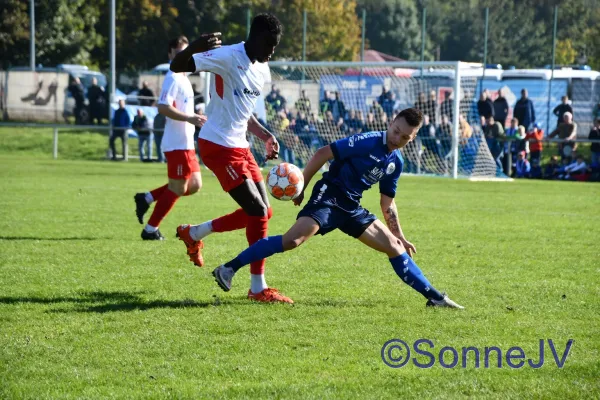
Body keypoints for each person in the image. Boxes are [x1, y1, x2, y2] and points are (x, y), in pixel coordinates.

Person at [211, 108, 463, 309]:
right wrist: (302, 187)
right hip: (329, 198)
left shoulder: (395, 162)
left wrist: (399, 235)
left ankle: (436, 298)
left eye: (405, 137)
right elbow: (323, 153)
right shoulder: (368, 141)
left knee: (395, 249)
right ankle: (228, 268)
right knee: (292, 240)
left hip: (351, 207)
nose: (398, 139)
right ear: (391, 122)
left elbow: (387, 202)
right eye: (396, 131)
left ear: (414, 137)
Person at [170, 14, 291, 303]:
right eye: (270, 44)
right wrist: (194, 48)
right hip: (217, 144)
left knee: (264, 212)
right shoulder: (227, 56)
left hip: (241, 146)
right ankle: (257, 288)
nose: (272, 51)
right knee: (258, 212)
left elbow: (243, 111)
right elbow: (178, 66)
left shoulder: (261, 70)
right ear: (255, 37)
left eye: (276, 46)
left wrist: (265, 136)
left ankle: (194, 232)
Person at [134, 36, 212, 240]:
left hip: (185, 143)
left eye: (185, 52)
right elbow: (162, 107)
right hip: (177, 143)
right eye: (178, 53)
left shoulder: (184, 77)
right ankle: (150, 230)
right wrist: (190, 117)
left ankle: (147, 197)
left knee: (194, 185)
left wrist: (196, 117)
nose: (181, 56)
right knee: (178, 187)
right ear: (170, 54)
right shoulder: (173, 76)